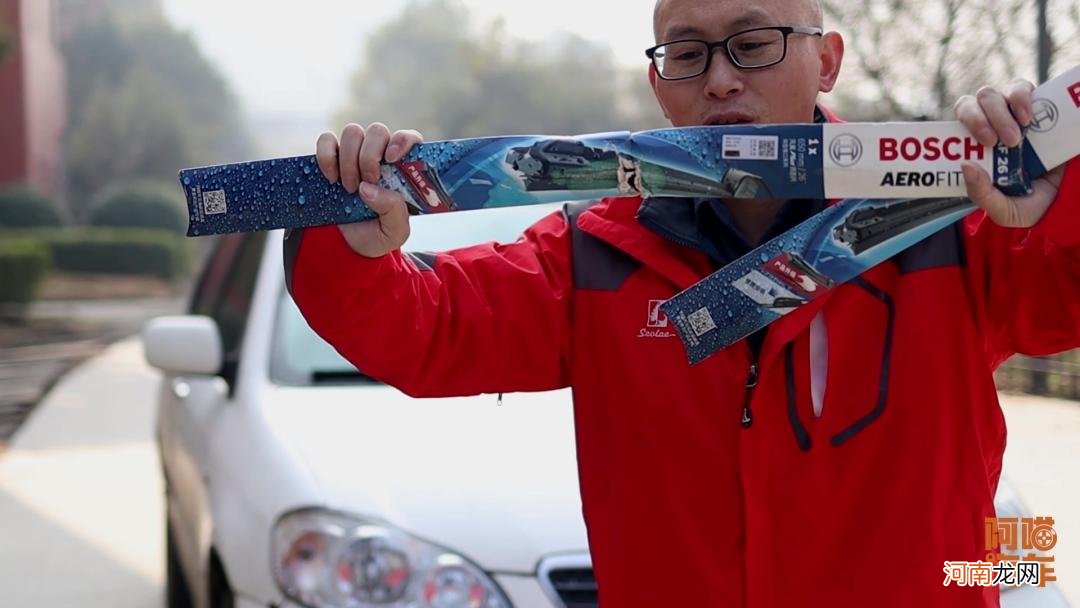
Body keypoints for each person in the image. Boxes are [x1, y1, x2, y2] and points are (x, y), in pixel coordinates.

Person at [285, 0, 1079, 605]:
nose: (722, 79)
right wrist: (352, 240)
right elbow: (429, 326)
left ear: (827, 60)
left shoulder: (954, 220)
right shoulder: (595, 253)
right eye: (688, 54)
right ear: (658, 84)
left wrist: (1059, 192)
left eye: (754, 42)